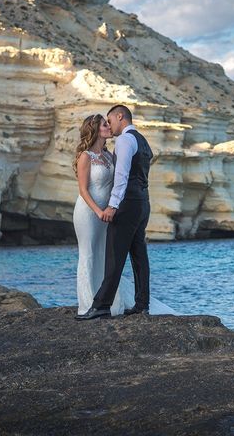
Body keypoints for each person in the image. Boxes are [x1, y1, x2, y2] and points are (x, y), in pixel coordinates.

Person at [72, 110, 173, 318]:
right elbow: (84, 189)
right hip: (97, 211)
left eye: (109, 122)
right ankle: (132, 303)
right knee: (124, 255)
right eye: (104, 124)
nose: (109, 126)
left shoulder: (122, 144)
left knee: (113, 256)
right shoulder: (141, 140)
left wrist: (112, 206)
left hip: (120, 208)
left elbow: (122, 177)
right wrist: (103, 209)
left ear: (120, 117)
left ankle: (101, 305)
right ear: (94, 130)